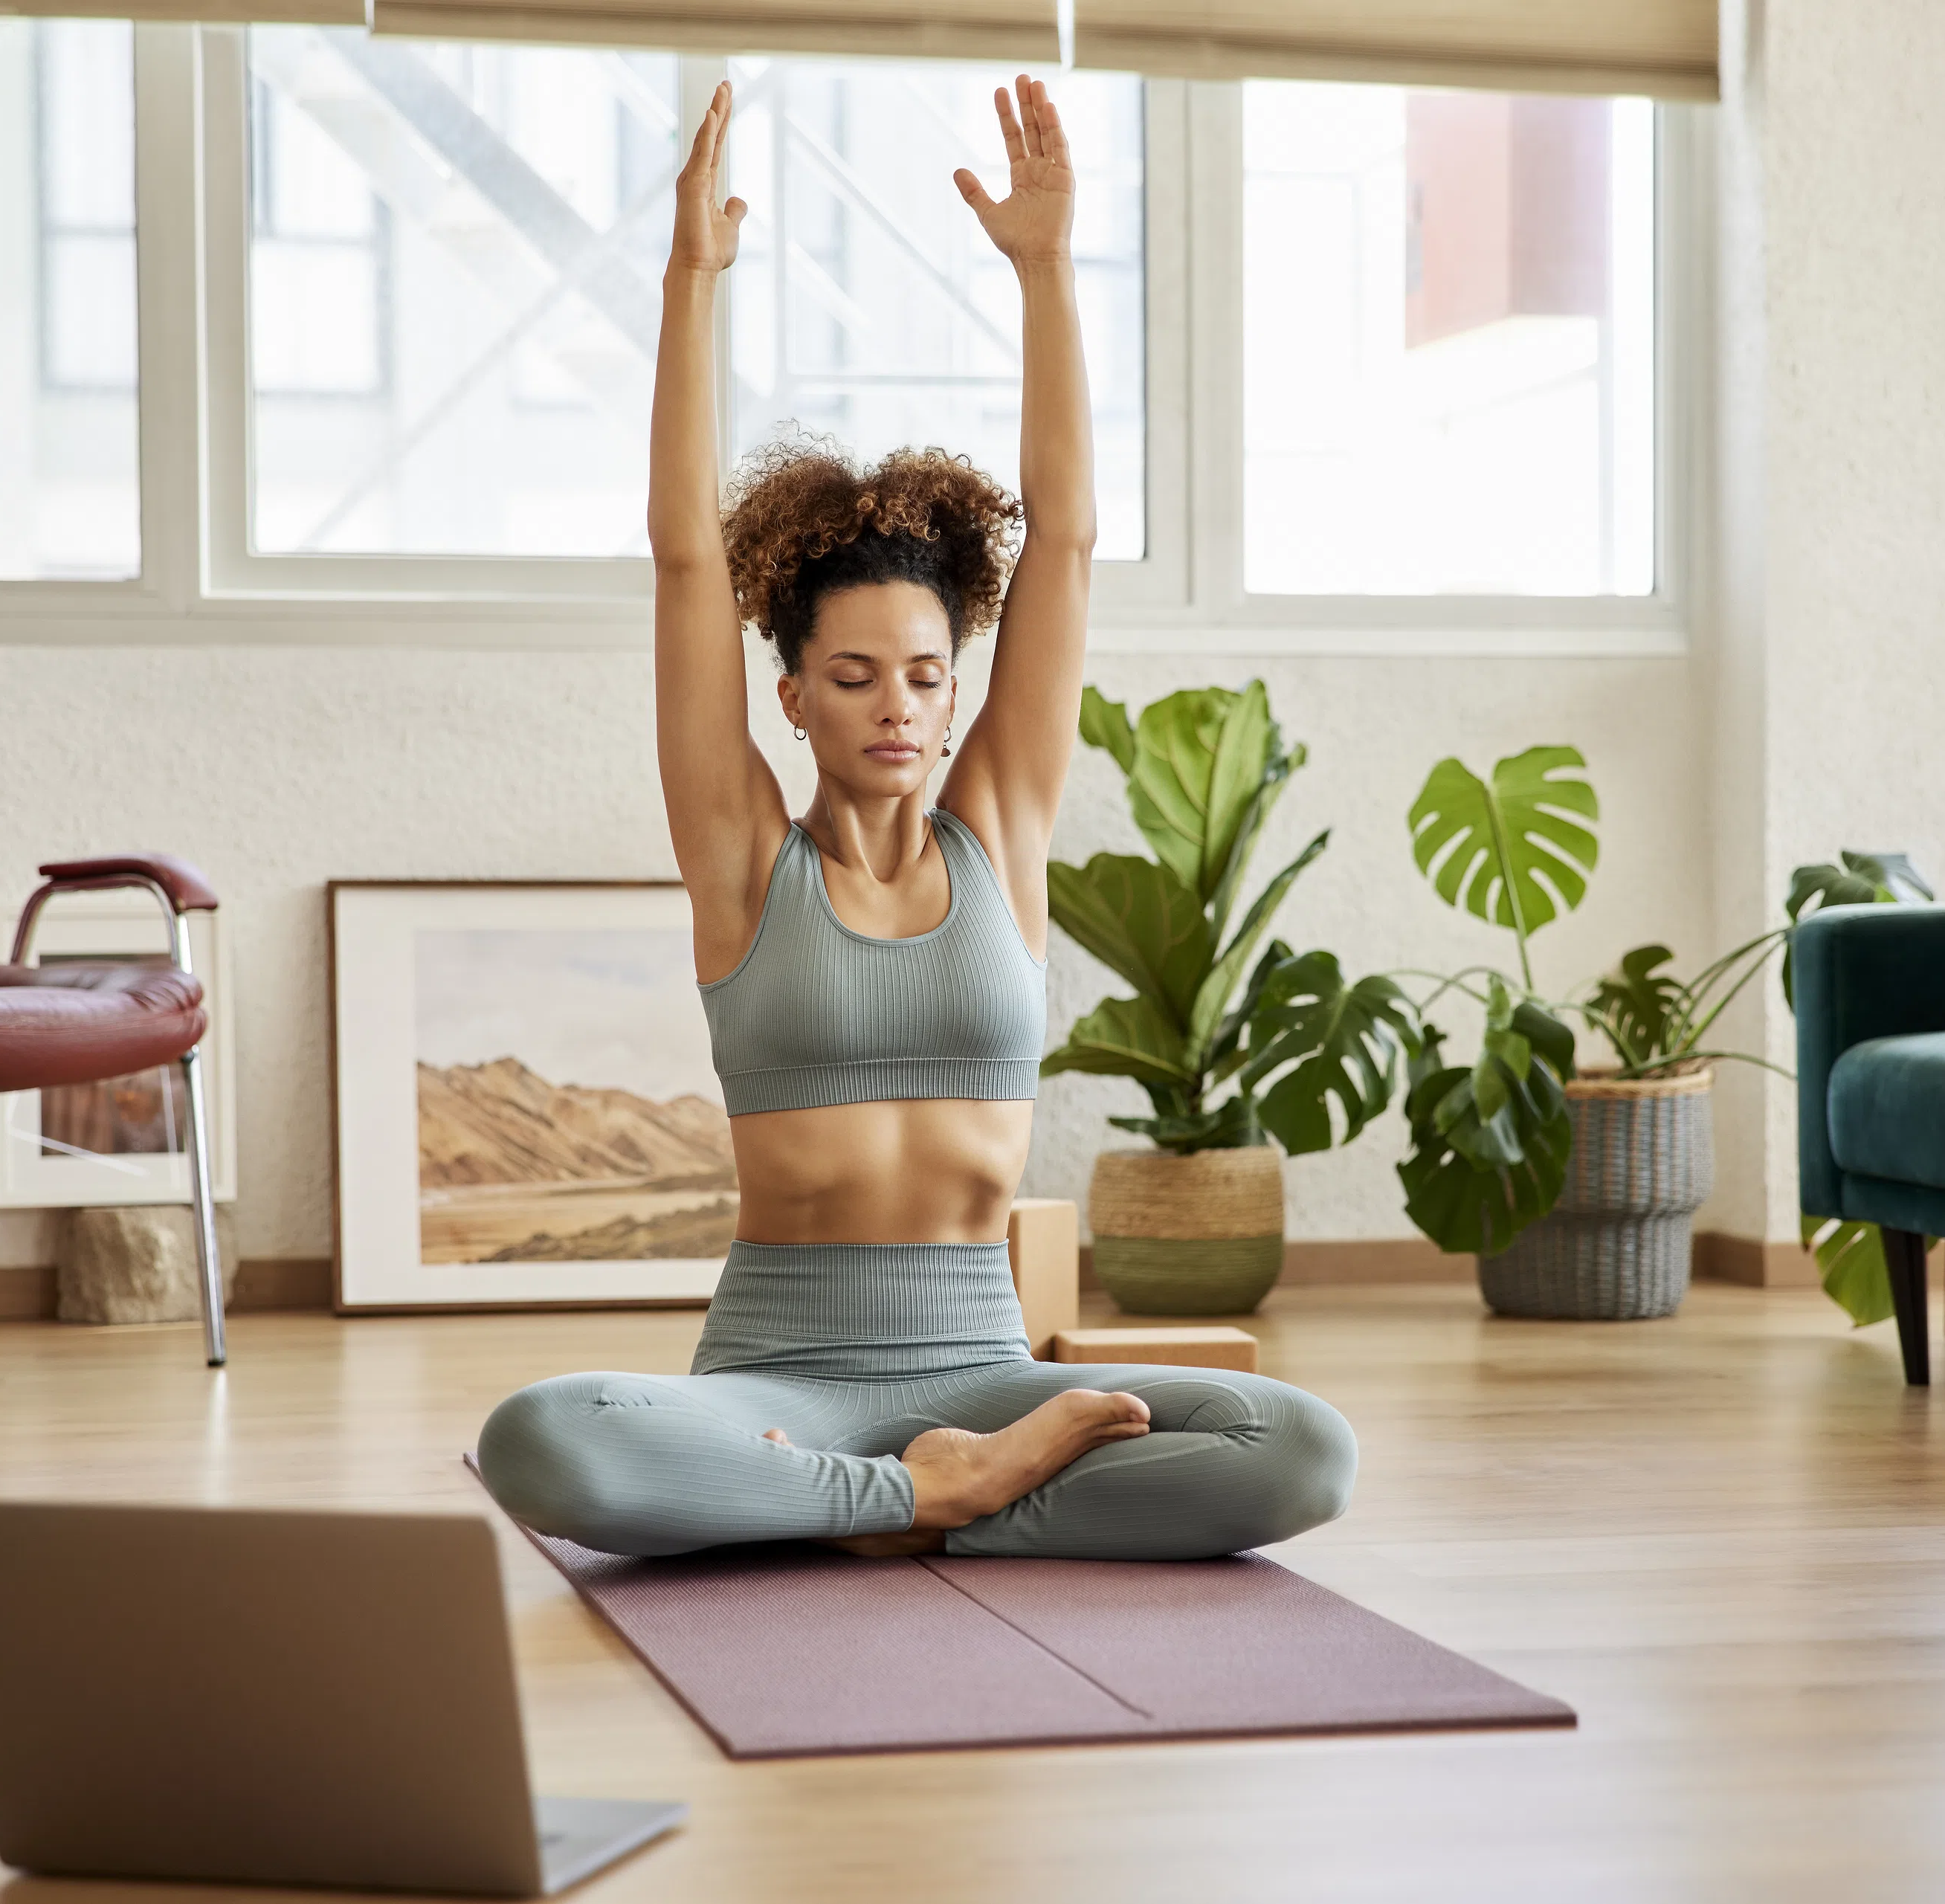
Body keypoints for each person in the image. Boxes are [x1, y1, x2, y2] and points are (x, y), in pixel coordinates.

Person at [476, 77, 1356, 1560]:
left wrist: (1047, 268)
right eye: (856, 674)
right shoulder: (745, 860)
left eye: (926, 675)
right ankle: (944, 1496)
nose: (896, 704)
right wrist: (692, 279)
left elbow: (1063, 538)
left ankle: (907, 1497)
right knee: (541, 1437)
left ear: (957, 696)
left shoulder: (1000, 829)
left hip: (984, 1362)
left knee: (1300, 1448)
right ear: (796, 695)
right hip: (776, 1378)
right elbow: (687, 559)